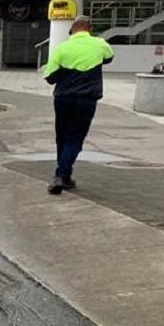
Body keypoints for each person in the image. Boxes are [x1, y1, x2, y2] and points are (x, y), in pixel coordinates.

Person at [42, 15, 114, 195]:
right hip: (86, 99)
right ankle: (62, 174)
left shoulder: (62, 48)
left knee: (62, 136)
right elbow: (108, 58)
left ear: (71, 30)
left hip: (63, 98)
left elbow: (50, 77)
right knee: (75, 138)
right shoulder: (100, 44)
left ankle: (63, 176)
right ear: (89, 29)